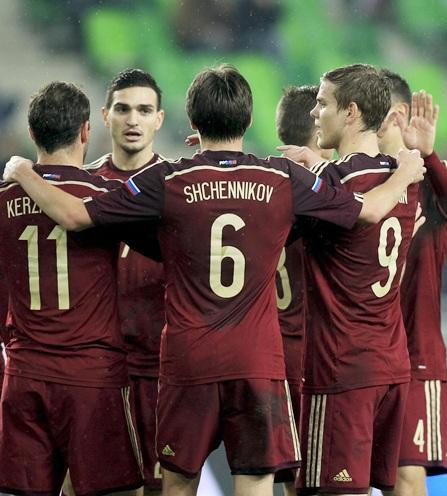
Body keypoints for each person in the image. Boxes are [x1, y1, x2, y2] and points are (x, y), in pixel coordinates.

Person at [3, 64, 425, 496]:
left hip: (190, 360)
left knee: (178, 483)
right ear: (246, 119)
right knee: (256, 482)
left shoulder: (168, 179)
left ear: (192, 121)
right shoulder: (281, 178)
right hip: (258, 362)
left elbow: (76, 216)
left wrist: (22, 172)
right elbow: (363, 211)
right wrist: (405, 173)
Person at [0, 81, 144, 496]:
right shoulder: (105, 197)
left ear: (32, 134)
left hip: (25, 371)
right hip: (91, 375)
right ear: (86, 131)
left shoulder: (4, 198)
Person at [292, 63, 417, 496]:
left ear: (351, 112)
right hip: (391, 364)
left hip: (341, 368)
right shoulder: (405, 179)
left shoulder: (334, 182)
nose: (314, 113)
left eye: (323, 103)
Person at [375, 70, 447, 496]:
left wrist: (428, 156)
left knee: (407, 477)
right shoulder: (365, 178)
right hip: (366, 353)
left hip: (417, 356)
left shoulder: (432, 179)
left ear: (395, 117)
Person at [86, 68, 166, 495]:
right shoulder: (83, 187)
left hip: (158, 366)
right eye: (123, 109)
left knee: (161, 487)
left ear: (159, 119)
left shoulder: (178, 185)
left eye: (143, 110)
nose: (133, 120)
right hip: (97, 367)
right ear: (105, 116)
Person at [273, 84, 334, 496]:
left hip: (264, 351)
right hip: (311, 353)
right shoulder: (327, 192)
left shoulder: (258, 182)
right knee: (313, 482)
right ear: (315, 131)